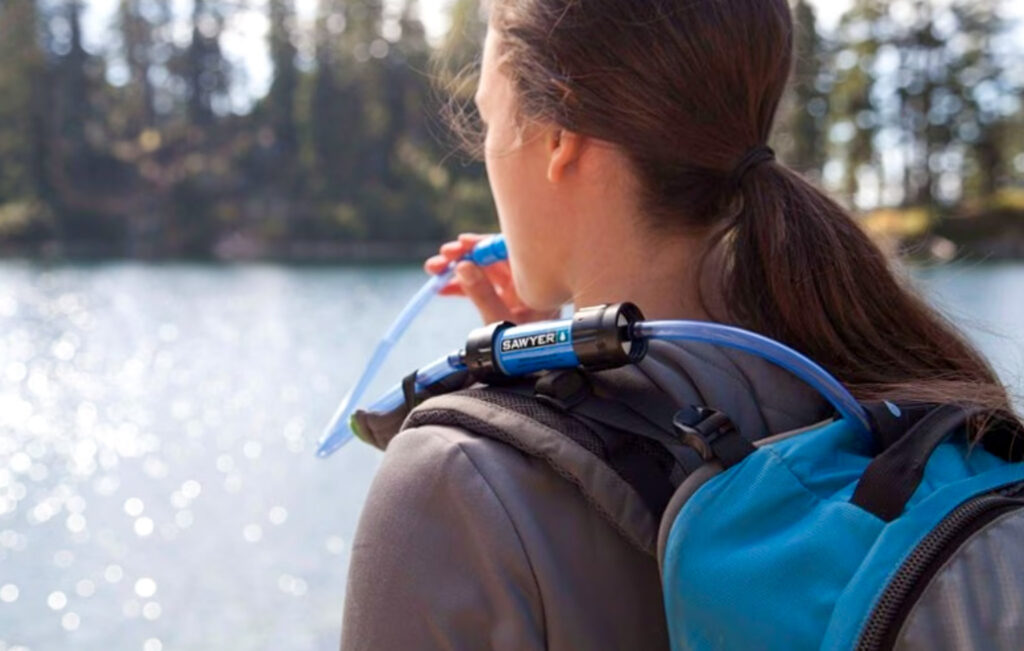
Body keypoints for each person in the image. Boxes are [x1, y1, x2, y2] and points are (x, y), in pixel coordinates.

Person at [339, 0, 1012, 649]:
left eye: (487, 119)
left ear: (557, 136)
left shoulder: (454, 484)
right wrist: (548, 351)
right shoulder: (880, 377)